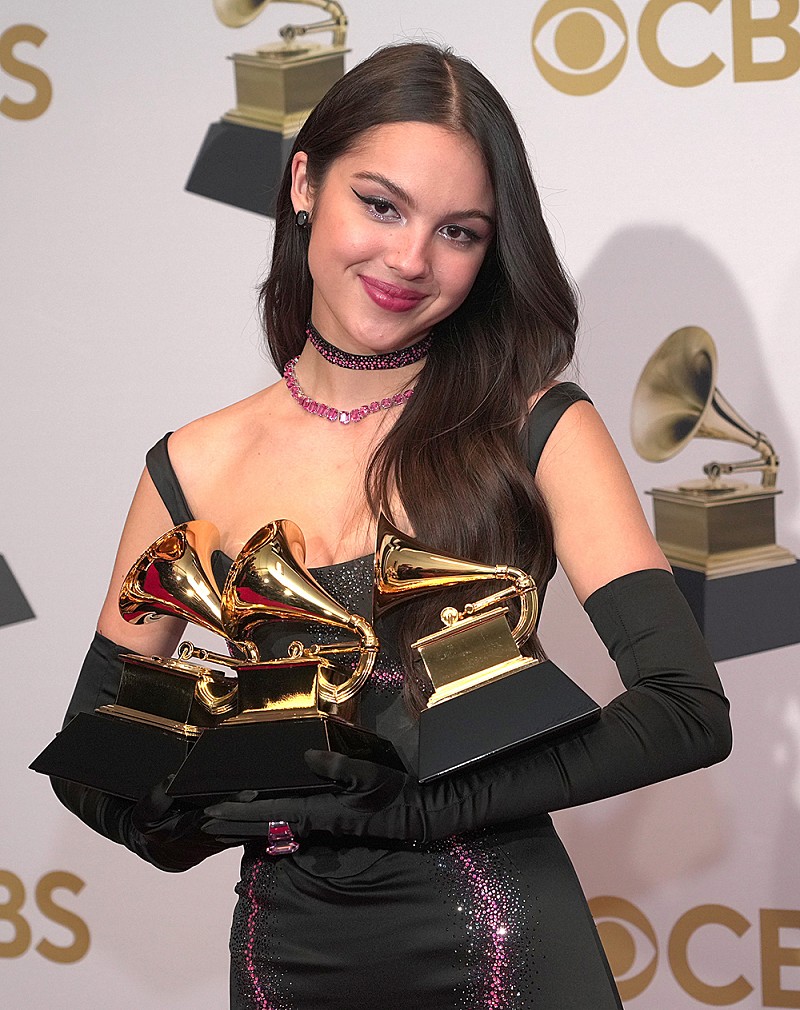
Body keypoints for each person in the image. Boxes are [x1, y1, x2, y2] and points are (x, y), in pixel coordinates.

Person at [51, 41, 732, 1009]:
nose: (410, 260)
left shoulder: (535, 426)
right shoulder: (190, 464)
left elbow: (682, 708)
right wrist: (188, 819)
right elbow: (91, 749)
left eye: (458, 231)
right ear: (303, 184)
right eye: (380, 205)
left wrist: (420, 806)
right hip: (282, 962)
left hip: (500, 947)